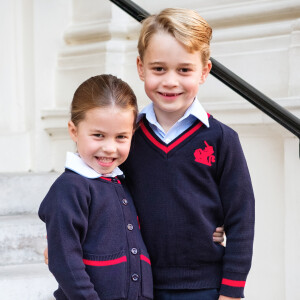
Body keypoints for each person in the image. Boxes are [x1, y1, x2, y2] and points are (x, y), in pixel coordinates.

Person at [120, 8, 255, 300]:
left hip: (204, 286)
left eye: (184, 70)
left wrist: (232, 290)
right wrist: (64, 240)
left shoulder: (222, 139)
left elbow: (242, 216)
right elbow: (93, 193)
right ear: (141, 68)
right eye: (159, 69)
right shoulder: (126, 137)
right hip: (136, 283)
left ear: (204, 71)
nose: (170, 81)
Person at [38, 74, 153, 300]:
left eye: (121, 137)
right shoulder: (70, 189)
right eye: (98, 135)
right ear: (74, 131)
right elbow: (65, 261)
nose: (110, 148)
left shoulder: (122, 181)